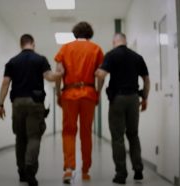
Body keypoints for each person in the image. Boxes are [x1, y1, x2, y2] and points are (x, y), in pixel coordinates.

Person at [0, 34, 63, 186]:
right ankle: (30, 169)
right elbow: (49, 77)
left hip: (17, 103)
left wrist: (0, 105)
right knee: (34, 137)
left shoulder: (12, 62)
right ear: (33, 43)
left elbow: (5, 83)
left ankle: (21, 173)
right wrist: (59, 73)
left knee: (20, 138)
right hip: (35, 103)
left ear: (21, 45)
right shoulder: (40, 59)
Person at [95, 33, 150, 184]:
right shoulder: (137, 57)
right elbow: (146, 79)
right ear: (125, 41)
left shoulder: (111, 55)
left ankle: (121, 174)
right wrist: (144, 98)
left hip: (117, 99)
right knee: (133, 135)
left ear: (114, 41)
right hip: (133, 99)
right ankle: (138, 169)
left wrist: (98, 92)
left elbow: (101, 75)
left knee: (118, 138)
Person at [54, 21, 104, 184]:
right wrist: (98, 92)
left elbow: (59, 73)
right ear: (89, 34)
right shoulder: (96, 49)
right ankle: (85, 170)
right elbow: (100, 75)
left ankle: (68, 168)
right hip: (89, 94)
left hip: (69, 94)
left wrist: (58, 93)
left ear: (75, 33)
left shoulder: (65, 48)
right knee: (86, 132)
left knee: (68, 131)